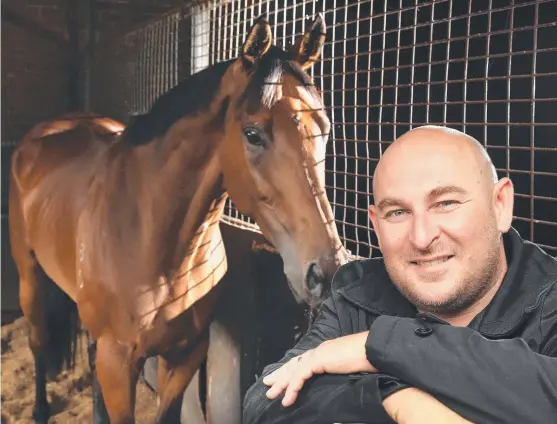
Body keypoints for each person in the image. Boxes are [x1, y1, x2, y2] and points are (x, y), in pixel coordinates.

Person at [242, 125, 557, 424]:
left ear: (500, 204)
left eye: (446, 203)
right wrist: (396, 399)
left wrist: (381, 346)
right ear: (376, 226)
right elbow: (263, 401)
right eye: (398, 213)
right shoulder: (358, 296)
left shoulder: (550, 302)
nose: (421, 238)